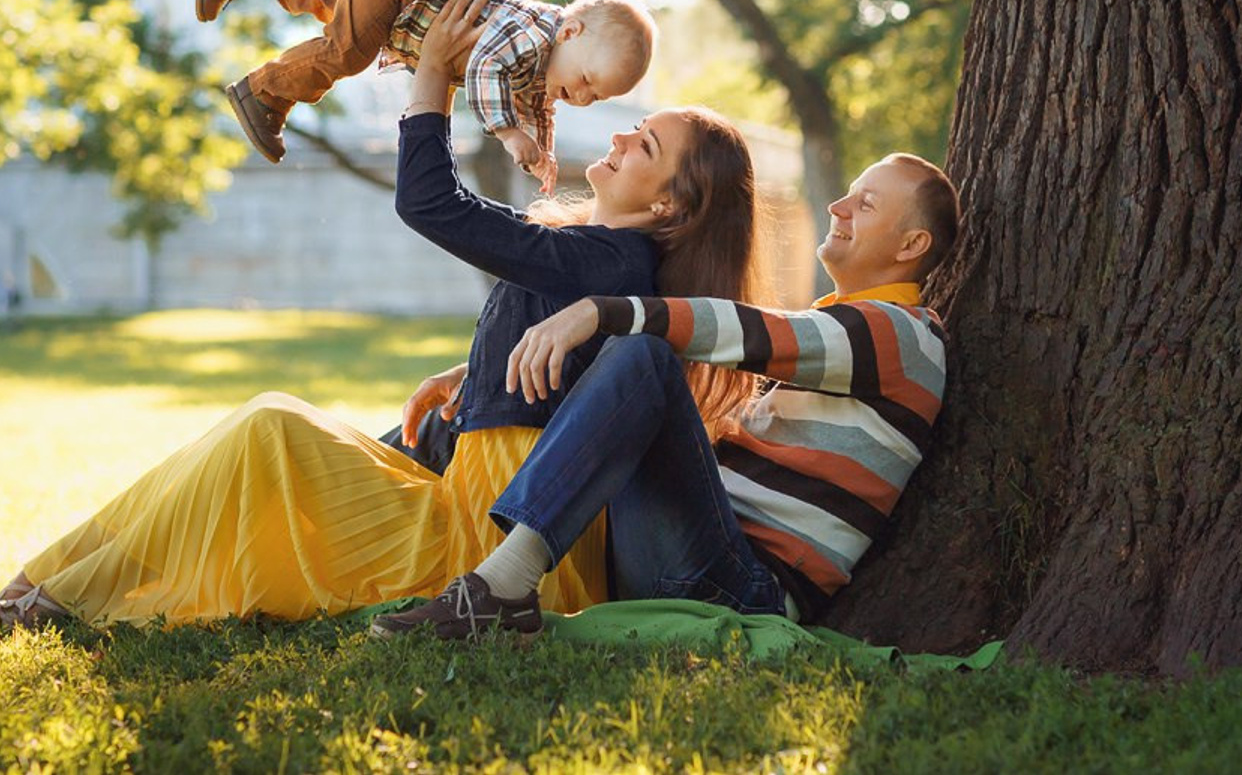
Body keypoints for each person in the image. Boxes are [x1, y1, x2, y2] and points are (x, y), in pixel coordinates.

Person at [0, 0, 757, 632]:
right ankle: (47, 585)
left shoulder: (616, 263)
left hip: (487, 544)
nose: (622, 132)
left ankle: (56, 593)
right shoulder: (598, 257)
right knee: (269, 434)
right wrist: (477, 370)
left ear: (668, 204)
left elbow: (433, 206)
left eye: (646, 143)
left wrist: (431, 79)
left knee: (270, 429)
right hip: (465, 501)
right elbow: (562, 358)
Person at [370, 149, 960, 641]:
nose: (838, 206)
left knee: (642, 349)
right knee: (620, 363)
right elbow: (664, 399)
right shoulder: (844, 337)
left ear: (911, 245)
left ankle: (498, 590)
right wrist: (482, 373)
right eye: (850, 192)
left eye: (867, 202)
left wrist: (603, 311)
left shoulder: (906, 338)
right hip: (678, 547)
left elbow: (748, 331)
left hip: (738, 586)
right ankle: (377, 502)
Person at [196, 0, 656, 190]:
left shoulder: (547, 65)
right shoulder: (534, 32)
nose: (580, 96)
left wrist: (543, 150)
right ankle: (264, 92)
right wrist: (509, 132)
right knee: (347, 54)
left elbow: (540, 106)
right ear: (571, 32)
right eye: (585, 81)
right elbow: (485, 68)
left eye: (594, 97)